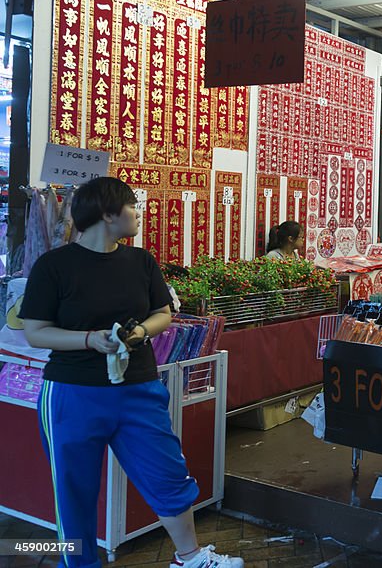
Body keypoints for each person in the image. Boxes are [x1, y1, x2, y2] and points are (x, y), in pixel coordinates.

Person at [19, 177, 243, 568]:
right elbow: (36, 332)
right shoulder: (53, 266)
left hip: (139, 388)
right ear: (107, 213)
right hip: (72, 393)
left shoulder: (141, 261)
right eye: (131, 206)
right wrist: (91, 340)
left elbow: (162, 313)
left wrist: (140, 331)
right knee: (73, 490)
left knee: (168, 475)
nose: (138, 213)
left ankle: (189, 557)